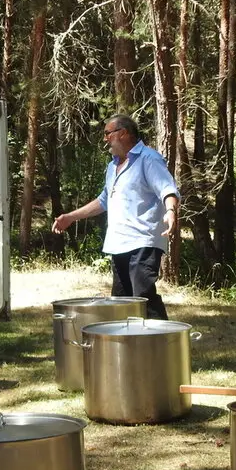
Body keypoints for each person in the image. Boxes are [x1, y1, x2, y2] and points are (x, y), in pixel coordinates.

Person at [52, 114, 179, 320]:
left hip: (143, 242)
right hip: (118, 244)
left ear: (123, 133)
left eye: (107, 133)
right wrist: (71, 217)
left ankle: (164, 346)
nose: (105, 139)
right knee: (121, 303)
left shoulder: (149, 158)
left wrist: (171, 211)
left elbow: (167, 190)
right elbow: (103, 201)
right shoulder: (113, 166)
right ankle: (129, 349)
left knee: (143, 298)